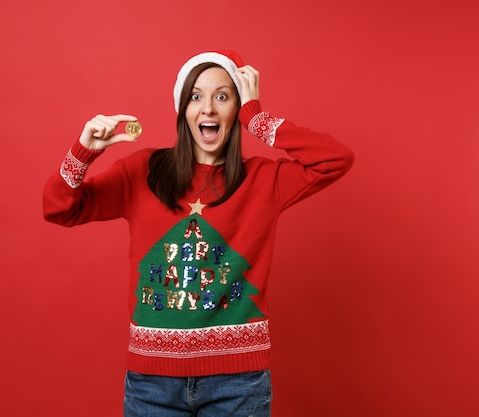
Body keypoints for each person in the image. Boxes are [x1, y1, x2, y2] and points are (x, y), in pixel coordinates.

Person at [43, 50, 354, 417]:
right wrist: (83, 152)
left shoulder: (264, 180)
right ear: (182, 110)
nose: (207, 108)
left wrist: (258, 118)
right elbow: (59, 208)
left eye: (222, 96)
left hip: (239, 383)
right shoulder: (143, 171)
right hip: (152, 383)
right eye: (196, 96)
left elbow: (336, 158)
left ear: (236, 109)